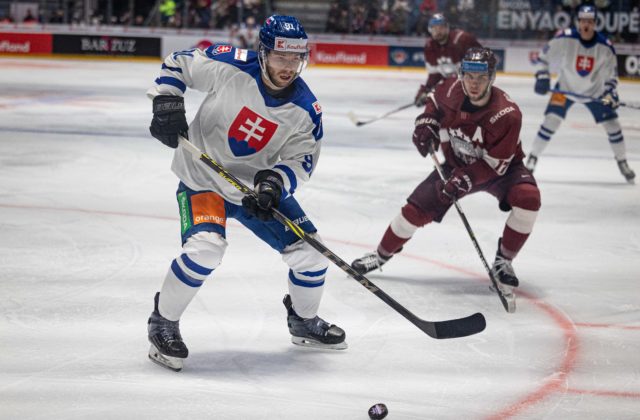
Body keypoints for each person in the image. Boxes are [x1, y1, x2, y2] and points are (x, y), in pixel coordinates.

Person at [145, 15, 346, 372]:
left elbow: (302, 159)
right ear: (263, 52)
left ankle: (303, 321)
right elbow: (179, 63)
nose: (289, 67)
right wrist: (167, 99)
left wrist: (275, 183)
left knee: (311, 253)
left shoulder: (306, 108)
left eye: (296, 58)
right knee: (205, 250)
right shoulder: (229, 65)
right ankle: (163, 322)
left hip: (254, 188)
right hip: (203, 179)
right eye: (281, 58)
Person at [352, 47, 541, 308]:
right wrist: (426, 123)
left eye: (481, 78)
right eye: (469, 77)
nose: (474, 84)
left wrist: (467, 178)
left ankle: (503, 261)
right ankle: (381, 255)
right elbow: (433, 104)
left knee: (528, 198)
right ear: (461, 74)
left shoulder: (507, 115)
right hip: (455, 166)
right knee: (413, 211)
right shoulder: (449, 89)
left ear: (492, 78)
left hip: (502, 170)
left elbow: (496, 164)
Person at [527, 5, 635, 184]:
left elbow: (611, 76)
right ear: (578, 22)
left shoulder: (605, 47)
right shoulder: (565, 37)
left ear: (595, 23)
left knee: (613, 126)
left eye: (590, 21)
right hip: (565, 89)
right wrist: (543, 76)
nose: (586, 24)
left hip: (595, 92)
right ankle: (532, 157)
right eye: (583, 20)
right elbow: (543, 57)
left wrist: (610, 94)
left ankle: (622, 161)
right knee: (550, 121)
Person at [413, 13, 482, 107]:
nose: (438, 31)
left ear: (447, 28)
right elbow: (435, 74)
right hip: (455, 87)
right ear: (430, 30)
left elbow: (482, 63)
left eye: (441, 27)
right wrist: (425, 91)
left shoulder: (462, 40)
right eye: (434, 28)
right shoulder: (430, 46)